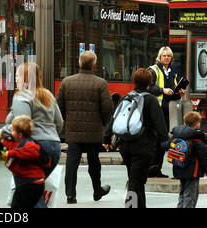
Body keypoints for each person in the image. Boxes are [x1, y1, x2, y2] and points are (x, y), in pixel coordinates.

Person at [0, 62, 63, 207]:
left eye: (18, 75)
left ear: (25, 79)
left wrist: (1, 132)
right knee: (34, 189)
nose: (16, 79)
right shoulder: (48, 95)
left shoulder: (22, 96)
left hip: (32, 148)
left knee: (29, 189)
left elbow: (22, 124)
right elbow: (59, 123)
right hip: (54, 147)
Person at [103, 68, 168, 208]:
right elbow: (160, 125)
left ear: (135, 81)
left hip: (125, 145)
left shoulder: (126, 97)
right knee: (135, 182)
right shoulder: (151, 99)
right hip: (143, 147)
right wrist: (165, 143)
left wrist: (107, 139)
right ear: (149, 82)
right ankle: (130, 206)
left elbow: (113, 119)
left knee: (136, 180)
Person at [56, 51, 113, 204]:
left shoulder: (67, 82)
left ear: (79, 63)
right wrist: (103, 123)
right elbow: (108, 108)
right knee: (94, 162)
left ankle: (70, 194)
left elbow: (59, 105)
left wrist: (68, 120)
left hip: (73, 131)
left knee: (72, 163)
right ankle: (97, 190)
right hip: (94, 132)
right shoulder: (100, 83)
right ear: (94, 64)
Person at [0, 115, 45, 208]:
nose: (11, 133)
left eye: (12, 131)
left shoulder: (30, 145)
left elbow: (30, 152)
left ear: (20, 134)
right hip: (30, 183)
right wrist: (1, 140)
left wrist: (10, 153)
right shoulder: (22, 143)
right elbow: (13, 146)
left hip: (30, 184)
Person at [148, 46, 184, 178]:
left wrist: (178, 93)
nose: (167, 58)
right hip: (155, 111)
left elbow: (172, 94)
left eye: (169, 56)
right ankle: (151, 169)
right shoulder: (153, 70)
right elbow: (147, 88)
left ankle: (157, 169)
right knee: (155, 141)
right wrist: (162, 90)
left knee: (162, 141)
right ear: (159, 57)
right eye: (164, 55)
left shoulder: (172, 72)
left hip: (167, 111)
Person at [163, 111, 207, 208]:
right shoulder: (197, 137)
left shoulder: (177, 134)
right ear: (197, 124)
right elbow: (204, 156)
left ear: (185, 122)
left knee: (182, 193)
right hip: (193, 171)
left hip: (179, 168)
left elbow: (166, 145)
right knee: (190, 195)